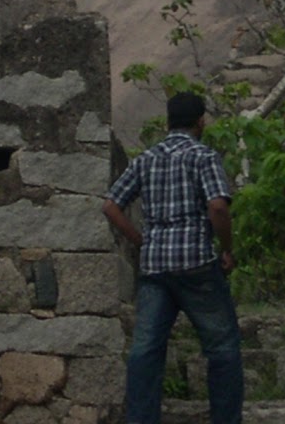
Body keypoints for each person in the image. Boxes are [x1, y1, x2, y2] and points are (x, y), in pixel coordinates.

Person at [103, 92, 243, 424]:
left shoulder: (146, 159)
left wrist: (140, 240)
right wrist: (226, 248)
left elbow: (110, 205)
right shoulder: (203, 156)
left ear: (168, 122)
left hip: (154, 267)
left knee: (145, 351)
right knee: (222, 347)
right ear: (200, 122)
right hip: (196, 263)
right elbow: (218, 207)